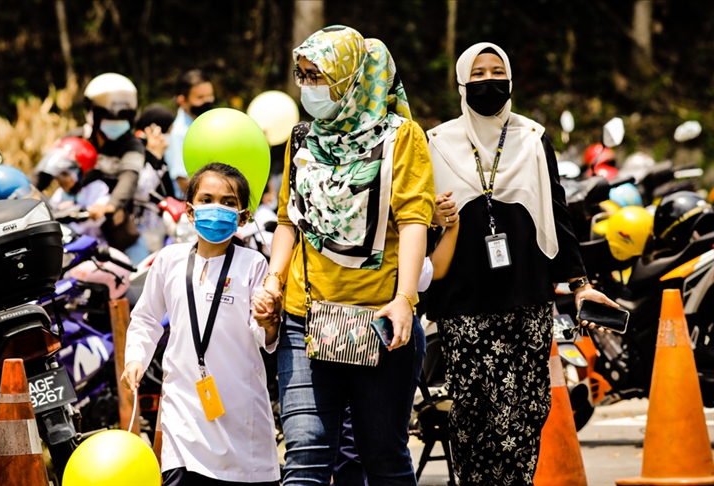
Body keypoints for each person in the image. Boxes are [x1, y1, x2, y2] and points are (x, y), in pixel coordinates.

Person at [425, 42, 618, 485]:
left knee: (523, 418)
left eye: (497, 71)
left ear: (510, 79)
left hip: (525, 300)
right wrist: (436, 217)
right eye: (477, 74)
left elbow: (556, 209)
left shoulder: (532, 137)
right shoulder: (437, 143)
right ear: (461, 83)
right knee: (473, 426)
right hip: (462, 303)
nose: (488, 81)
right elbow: (419, 222)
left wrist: (578, 282)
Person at [253, 25, 435, 484]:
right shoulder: (302, 138)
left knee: (383, 457)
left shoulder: (402, 138)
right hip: (305, 317)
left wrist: (405, 299)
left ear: (351, 78)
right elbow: (289, 219)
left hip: (381, 320)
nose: (309, 86)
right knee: (306, 455)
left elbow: (415, 219)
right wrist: (274, 280)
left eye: (319, 76)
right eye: (304, 75)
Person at [120, 163, 280, 485]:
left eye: (228, 202)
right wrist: (136, 358)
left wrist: (269, 321)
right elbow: (147, 316)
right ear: (190, 212)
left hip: (240, 415)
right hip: (183, 411)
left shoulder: (253, 265)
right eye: (206, 199)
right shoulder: (169, 260)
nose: (216, 208)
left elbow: (262, 334)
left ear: (244, 217)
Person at [58, 73, 146, 252]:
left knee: (139, 273)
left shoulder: (132, 144)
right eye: (109, 116)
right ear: (92, 113)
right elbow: (45, 172)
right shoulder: (74, 139)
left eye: (123, 116)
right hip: (74, 223)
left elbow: (129, 178)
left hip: (117, 227)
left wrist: (110, 206)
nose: (116, 122)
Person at [130, 103, 178, 262]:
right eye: (167, 131)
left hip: (161, 233)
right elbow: (141, 192)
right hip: (140, 236)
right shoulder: (134, 154)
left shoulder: (162, 158)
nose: (168, 137)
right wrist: (154, 155)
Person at [165, 70, 215, 196]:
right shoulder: (179, 133)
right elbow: (183, 183)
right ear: (182, 101)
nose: (207, 101)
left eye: (209, 95)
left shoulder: (208, 123)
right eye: (200, 98)